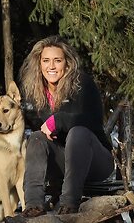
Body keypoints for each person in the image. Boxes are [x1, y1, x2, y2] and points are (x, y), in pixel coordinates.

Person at [17, 35, 114, 217]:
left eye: (57, 61)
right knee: (37, 137)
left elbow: (93, 121)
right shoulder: (40, 93)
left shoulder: (82, 84)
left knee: (78, 132)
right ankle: (33, 204)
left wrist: (59, 120)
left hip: (96, 162)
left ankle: (69, 203)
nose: (51, 66)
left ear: (67, 63)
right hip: (66, 162)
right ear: (39, 64)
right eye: (46, 61)